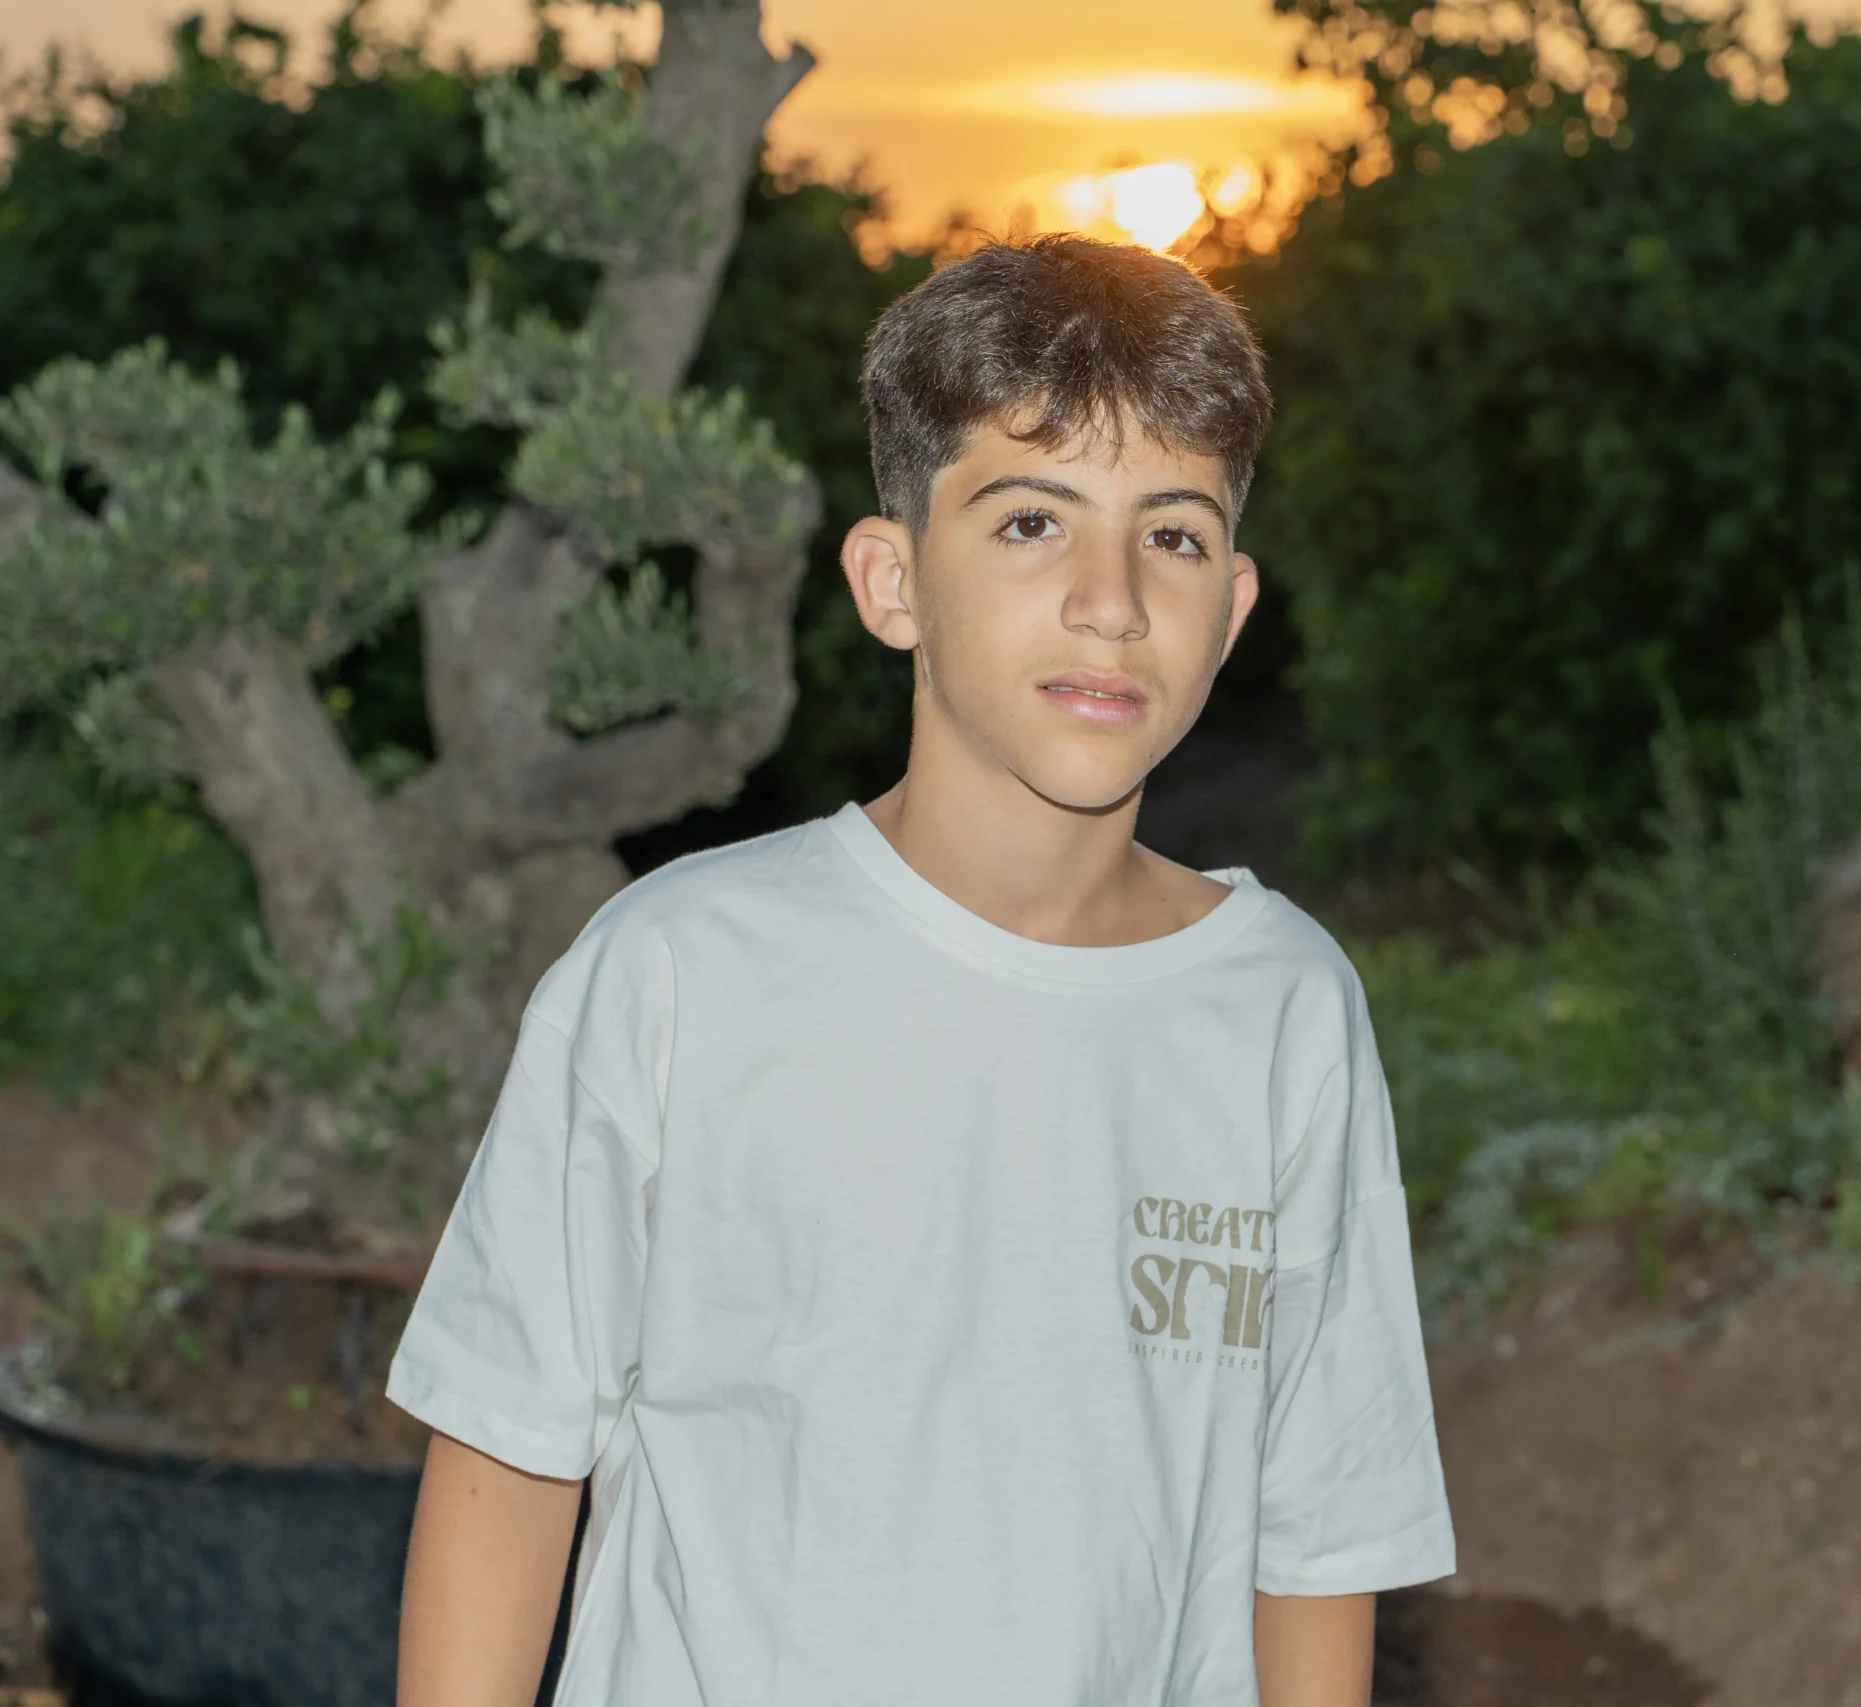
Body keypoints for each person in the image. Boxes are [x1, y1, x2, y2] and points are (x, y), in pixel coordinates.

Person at [386, 234, 1455, 1707]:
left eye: (1174, 536)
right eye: (1032, 522)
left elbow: (1317, 1529)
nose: (1111, 600)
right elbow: (508, 1454)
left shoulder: (1284, 1010)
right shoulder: (679, 972)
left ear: (1233, 608)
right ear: (892, 582)